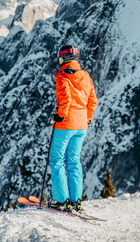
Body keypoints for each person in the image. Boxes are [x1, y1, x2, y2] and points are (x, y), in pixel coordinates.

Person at [47, 45, 98, 212]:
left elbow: (65, 99)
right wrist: (87, 117)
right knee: (74, 162)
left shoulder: (63, 76)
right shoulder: (85, 76)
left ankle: (62, 200)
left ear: (62, 59)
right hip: (82, 125)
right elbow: (92, 101)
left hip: (66, 124)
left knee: (57, 160)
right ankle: (76, 201)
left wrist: (59, 115)